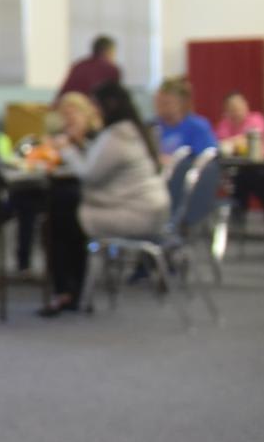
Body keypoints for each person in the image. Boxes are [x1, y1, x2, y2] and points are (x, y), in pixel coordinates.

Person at [42, 83, 168, 317]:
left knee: (61, 213)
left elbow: (89, 174)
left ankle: (67, 290)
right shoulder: (132, 130)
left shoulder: (118, 136)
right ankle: (72, 288)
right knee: (66, 205)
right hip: (147, 209)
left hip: (134, 214)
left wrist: (67, 148)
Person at [216, 90, 264, 220]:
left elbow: (250, 140)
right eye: (232, 108)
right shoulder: (224, 124)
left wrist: (233, 142)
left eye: (239, 107)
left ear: (246, 106)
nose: (236, 111)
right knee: (236, 186)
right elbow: (221, 145)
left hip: (262, 168)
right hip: (238, 171)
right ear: (226, 111)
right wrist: (237, 142)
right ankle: (237, 222)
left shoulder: (256, 119)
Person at [153, 76, 218, 157]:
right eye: (157, 102)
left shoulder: (197, 127)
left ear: (182, 103)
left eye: (166, 103)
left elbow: (208, 158)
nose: (159, 107)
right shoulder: (154, 127)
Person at [57, 34, 120, 101]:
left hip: (66, 104)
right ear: (109, 52)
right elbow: (112, 100)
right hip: (88, 106)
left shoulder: (78, 66)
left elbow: (62, 94)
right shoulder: (111, 70)